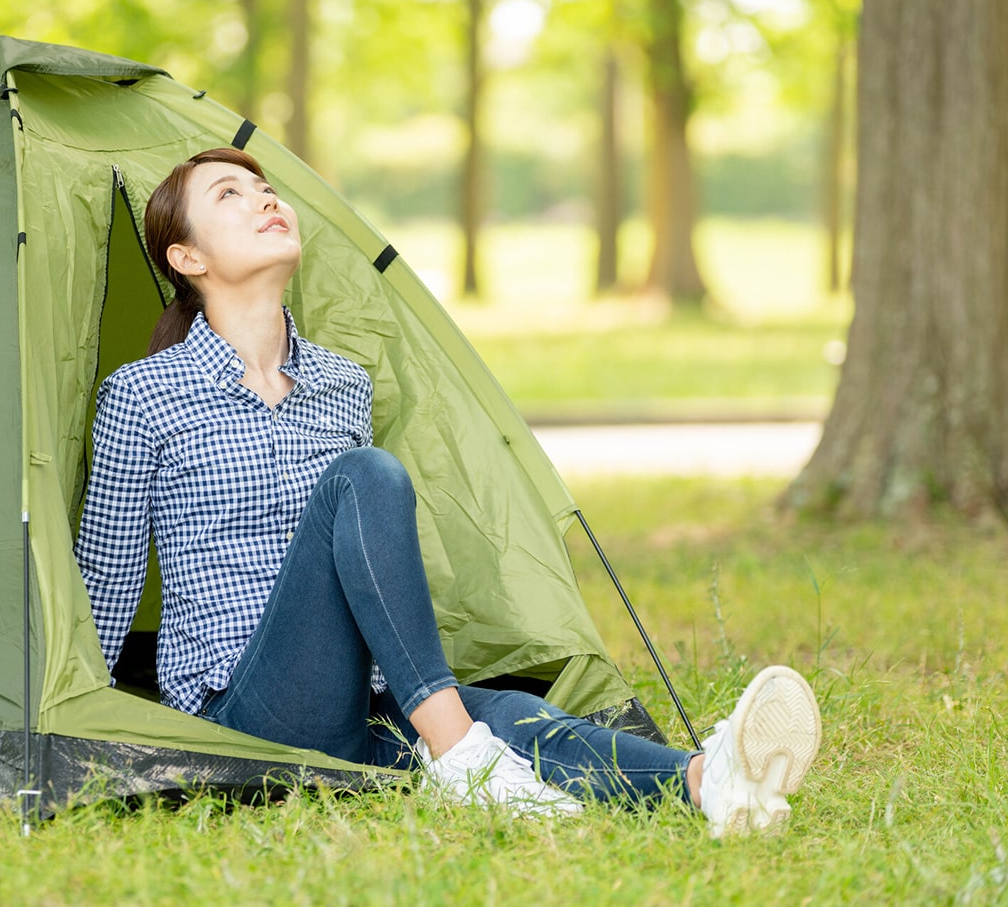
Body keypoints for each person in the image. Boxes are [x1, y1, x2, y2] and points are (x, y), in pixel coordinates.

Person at [75, 148, 821, 833]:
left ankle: (708, 782)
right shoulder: (142, 394)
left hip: (360, 705)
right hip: (243, 710)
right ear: (186, 256)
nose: (265, 199)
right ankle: (460, 751)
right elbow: (106, 576)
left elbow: (359, 561)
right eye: (230, 194)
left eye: (268, 189)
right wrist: (70, 741)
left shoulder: (341, 383)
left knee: (513, 711)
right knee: (363, 478)